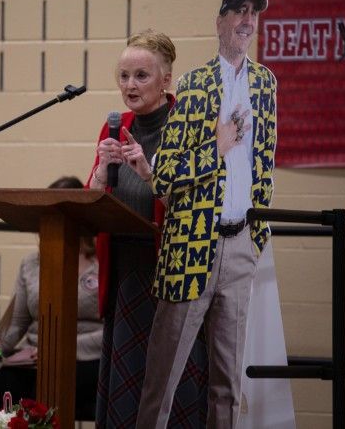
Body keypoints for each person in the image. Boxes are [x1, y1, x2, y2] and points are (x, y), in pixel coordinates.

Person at [136, 0, 279, 429]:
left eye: (253, 12)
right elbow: (162, 177)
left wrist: (256, 238)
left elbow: (264, 167)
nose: (246, 20)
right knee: (164, 380)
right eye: (238, 10)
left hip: (240, 246)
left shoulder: (265, 85)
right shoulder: (196, 86)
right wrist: (214, 148)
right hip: (191, 247)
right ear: (220, 21)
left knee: (228, 388)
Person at [87, 30, 209, 428]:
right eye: (123, 76)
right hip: (126, 277)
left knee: (175, 393)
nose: (130, 86)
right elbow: (91, 205)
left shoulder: (186, 128)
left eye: (141, 76)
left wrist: (150, 172)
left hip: (171, 275)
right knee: (127, 393)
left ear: (166, 80)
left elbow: (198, 209)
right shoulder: (114, 127)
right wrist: (104, 169)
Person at [0, 176, 103, 421]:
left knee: (57, 381)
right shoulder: (31, 263)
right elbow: (17, 323)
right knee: (5, 381)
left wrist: (58, 350)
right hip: (36, 358)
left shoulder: (102, 261)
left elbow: (112, 327)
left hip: (88, 357)